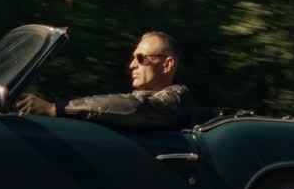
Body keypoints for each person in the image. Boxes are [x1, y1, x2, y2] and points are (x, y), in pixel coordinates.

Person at [13, 31, 195, 130]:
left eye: (141, 58)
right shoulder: (143, 105)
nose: (132, 65)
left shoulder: (174, 102)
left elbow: (134, 107)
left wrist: (56, 108)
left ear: (167, 64)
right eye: (133, 58)